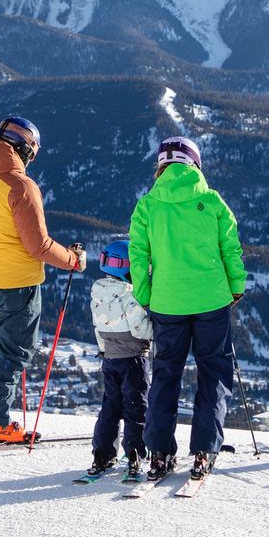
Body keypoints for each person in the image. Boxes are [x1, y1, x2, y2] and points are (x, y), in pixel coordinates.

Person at [0, 115, 86, 446]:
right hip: (20, 284)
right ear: (26, 150)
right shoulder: (21, 186)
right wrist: (73, 260)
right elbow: (38, 246)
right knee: (13, 354)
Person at [131, 136, 246, 483]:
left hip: (167, 303)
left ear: (161, 166)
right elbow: (231, 248)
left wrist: (146, 294)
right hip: (212, 300)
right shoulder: (212, 201)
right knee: (213, 372)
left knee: (166, 374)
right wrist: (235, 287)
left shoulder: (148, 205)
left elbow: (138, 255)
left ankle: (159, 452)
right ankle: (204, 450)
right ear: (195, 163)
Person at [84, 238, 151, 479]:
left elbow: (98, 327)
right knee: (135, 407)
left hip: (110, 358)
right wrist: (156, 333)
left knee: (110, 406)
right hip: (133, 358)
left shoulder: (98, 293)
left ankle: (102, 454)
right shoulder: (128, 294)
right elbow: (141, 329)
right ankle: (135, 453)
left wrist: (105, 350)